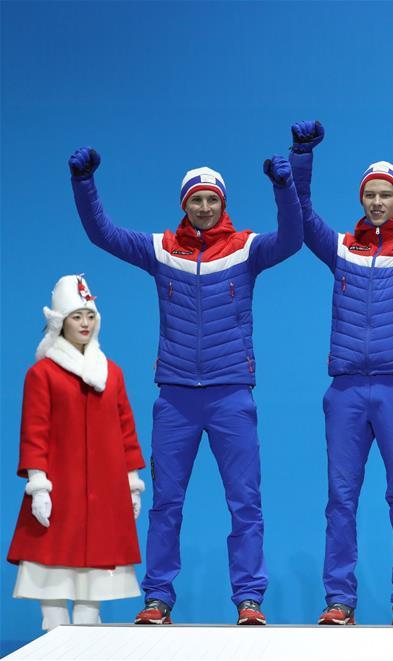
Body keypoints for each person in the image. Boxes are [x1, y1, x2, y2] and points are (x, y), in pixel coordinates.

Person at [68, 148, 304, 625]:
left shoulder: (245, 249)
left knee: (245, 502)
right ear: (184, 204)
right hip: (175, 396)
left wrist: (286, 187)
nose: (203, 208)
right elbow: (102, 233)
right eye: (195, 200)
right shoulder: (160, 250)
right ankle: (157, 599)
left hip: (231, 392)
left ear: (222, 204)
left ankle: (249, 599)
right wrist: (84, 181)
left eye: (211, 200)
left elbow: (294, 239)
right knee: (166, 504)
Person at [288, 119, 393, 626]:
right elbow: (301, 217)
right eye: (371, 194)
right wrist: (302, 157)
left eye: (386, 195)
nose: (378, 202)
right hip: (345, 391)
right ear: (363, 199)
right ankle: (339, 600)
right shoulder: (340, 248)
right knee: (340, 499)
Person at [8, 275, 146, 631]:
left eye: (89, 315)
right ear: (59, 321)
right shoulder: (42, 374)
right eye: (76, 316)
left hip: (103, 489)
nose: (84, 323)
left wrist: (132, 482)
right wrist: (38, 485)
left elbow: (126, 430)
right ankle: (53, 636)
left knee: (95, 569)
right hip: (61, 487)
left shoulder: (111, 373)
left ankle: (87, 638)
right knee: (49, 564)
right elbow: (34, 432)